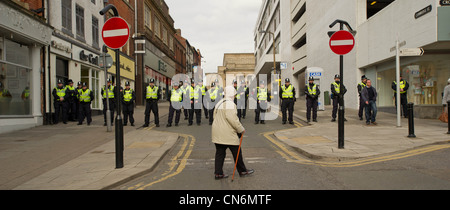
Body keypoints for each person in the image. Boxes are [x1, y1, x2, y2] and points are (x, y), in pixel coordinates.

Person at [212, 86, 254, 179]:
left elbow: (214, 116)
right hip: (228, 133)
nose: (235, 96)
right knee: (237, 152)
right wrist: (241, 129)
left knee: (220, 153)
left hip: (217, 132)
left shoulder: (219, 102)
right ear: (232, 95)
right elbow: (233, 120)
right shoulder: (230, 104)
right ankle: (242, 171)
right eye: (234, 95)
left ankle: (218, 173)